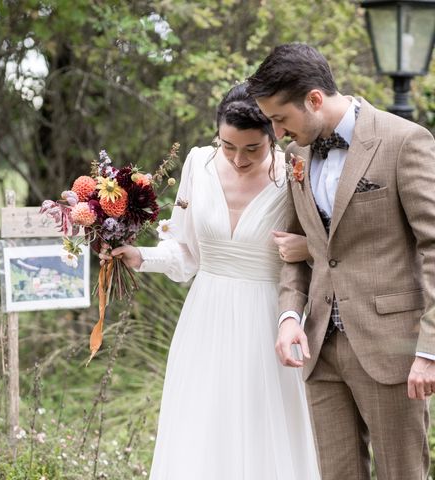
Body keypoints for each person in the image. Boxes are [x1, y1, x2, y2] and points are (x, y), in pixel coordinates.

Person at [102, 83, 320, 479]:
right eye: (228, 145)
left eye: (252, 149)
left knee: (265, 429)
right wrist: (140, 256)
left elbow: (320, 248)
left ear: (275, 134)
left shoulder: (294, 172)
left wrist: (309, 246)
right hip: (206, 318)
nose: (238, 159)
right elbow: (186, 252)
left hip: (270, 318)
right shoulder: (197, 164)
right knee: (203, 428)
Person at [247, 43, 435, 480]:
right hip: (320, 348)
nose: (277, 134)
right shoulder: (297, 156)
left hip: (393, 348)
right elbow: (296, 243)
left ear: (314, 99)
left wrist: (429, 350)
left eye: (280, 119)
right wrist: (289, 315)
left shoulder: (404, 141)